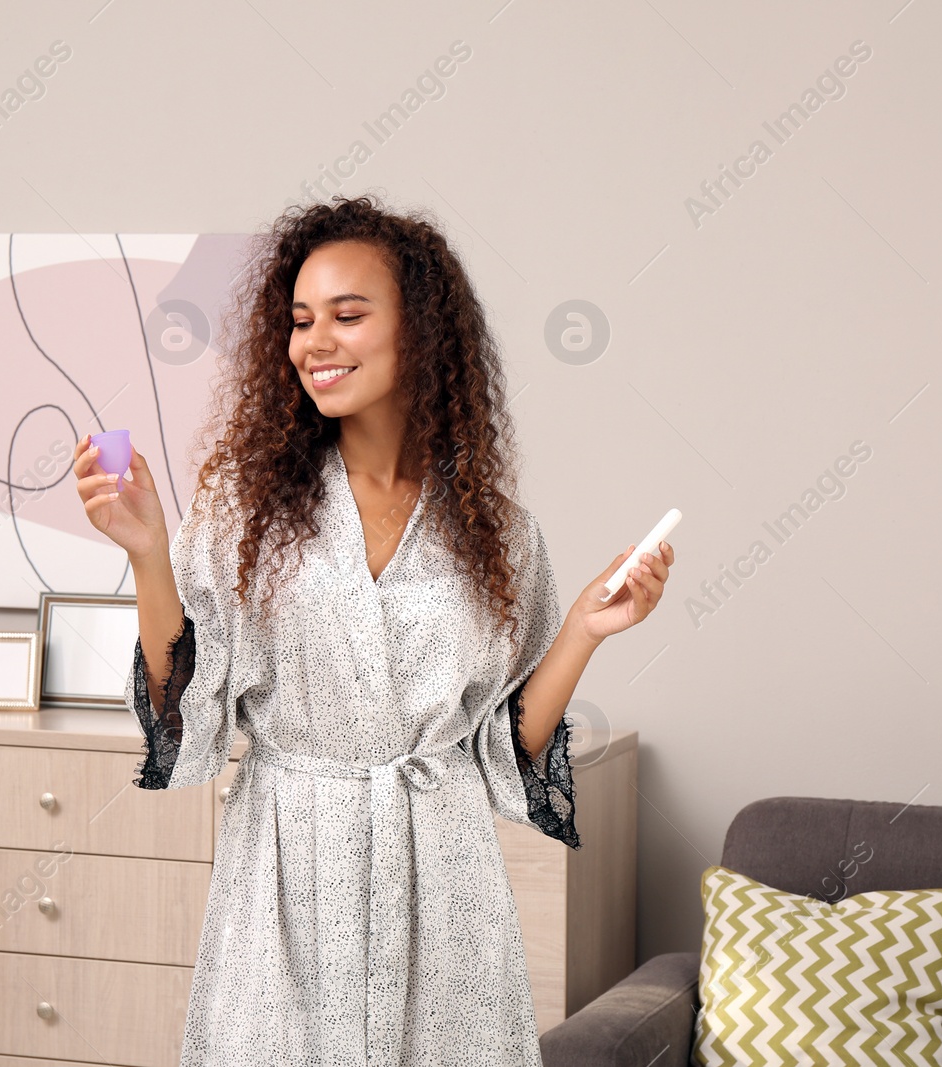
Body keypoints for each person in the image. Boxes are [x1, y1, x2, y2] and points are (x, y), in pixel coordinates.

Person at [73, 194, 674, 1066]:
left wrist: (583, 628)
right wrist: (148, 558)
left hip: (444, 876)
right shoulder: (246, 511)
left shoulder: (497, 531)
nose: (315, 341)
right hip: (286, 871)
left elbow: (505, 748)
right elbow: (184, 718)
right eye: (301, 319)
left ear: (421, 333)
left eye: (348, 315)